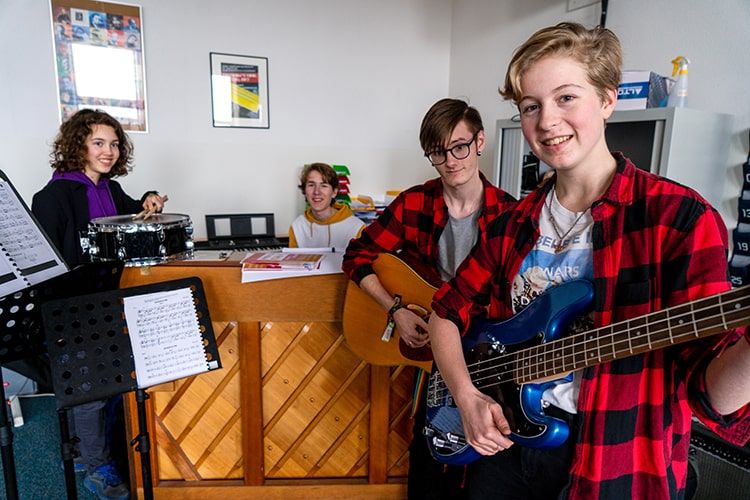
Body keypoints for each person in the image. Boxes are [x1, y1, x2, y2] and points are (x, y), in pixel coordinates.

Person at [428, 22, 750, 499]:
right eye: (531, 106)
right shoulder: (510, 223)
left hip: (617, 458)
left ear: (606, 100)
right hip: (507, 443)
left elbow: (714, 397)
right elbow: (444, 315)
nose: (547, 121)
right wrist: (466, 395)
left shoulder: (678, 218)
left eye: (566, 98)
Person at [343, 98, 515, 499]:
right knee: (427, 462)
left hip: (488, 354)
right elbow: (357, 256)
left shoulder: (511, 214)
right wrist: (395, 310)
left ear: (480, 142)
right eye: (438, 152)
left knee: (484, 465)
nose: (451, 160)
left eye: (459, 146)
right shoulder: (414, 203)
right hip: (435, 356)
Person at [32, 108, 165, 500]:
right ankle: (95, 467)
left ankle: (83, 451)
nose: (109, 151)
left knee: (107, 385)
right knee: (91, 388)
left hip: (109, 298)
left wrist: (149, 199)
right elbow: (49, 265)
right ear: (79, 145)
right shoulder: (54, 196)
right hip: (72, 306)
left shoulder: (110, 189)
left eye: (114, 143)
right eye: (98, 143)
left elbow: (131, 210)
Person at [288, 162, 365, 249]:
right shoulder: (297, 227)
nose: (317, 192)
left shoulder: (357, 228)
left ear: (334, 192)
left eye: (324, 185)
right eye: (311, 185)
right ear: (305, 191)